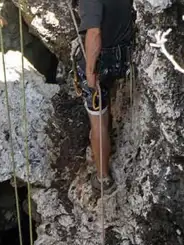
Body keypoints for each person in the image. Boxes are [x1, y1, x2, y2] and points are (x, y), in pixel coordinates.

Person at [76, 0, 133, 197]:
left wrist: (90, 71)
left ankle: (102, 177)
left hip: (101, 65)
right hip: (122, 59)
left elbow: (94, 33)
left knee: (98, 123)